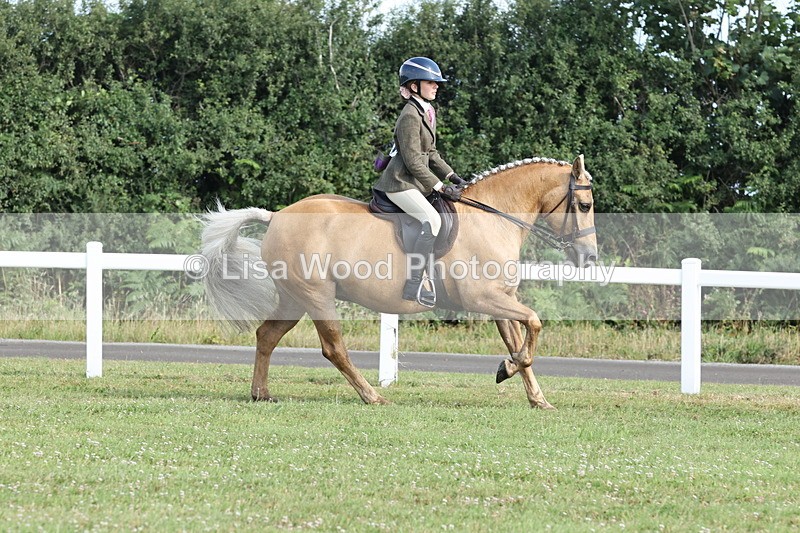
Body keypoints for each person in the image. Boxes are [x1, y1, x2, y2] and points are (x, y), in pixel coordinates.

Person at [373, 57, 465, 306]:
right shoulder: (410, 116)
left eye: (437, 83)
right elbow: (414, 162)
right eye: (431, 82)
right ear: (414, 86)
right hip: (400, 183)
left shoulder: (427, 111)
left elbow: (431, 153)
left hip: (416, 182)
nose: (436, 86)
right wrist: (440, 187)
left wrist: (452, 176)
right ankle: (415, 284)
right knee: (432, 220)